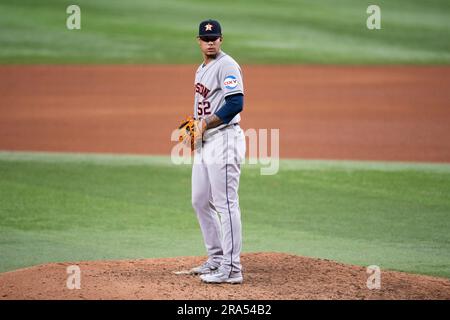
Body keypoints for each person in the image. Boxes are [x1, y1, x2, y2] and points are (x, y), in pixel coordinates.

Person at [189, 19, 246, 284]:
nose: (210, 42)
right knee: (200, 200)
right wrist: (193, 130)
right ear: (198, 41)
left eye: (214, 38)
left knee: (225, 204)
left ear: (221, 40)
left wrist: (204, 125)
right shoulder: (201, 69)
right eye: (205, 39)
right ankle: (216, 258)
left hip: (224, 140)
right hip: (206, 141)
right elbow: (204, 106)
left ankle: (233, 269)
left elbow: (236, 103)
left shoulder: (227, 65)